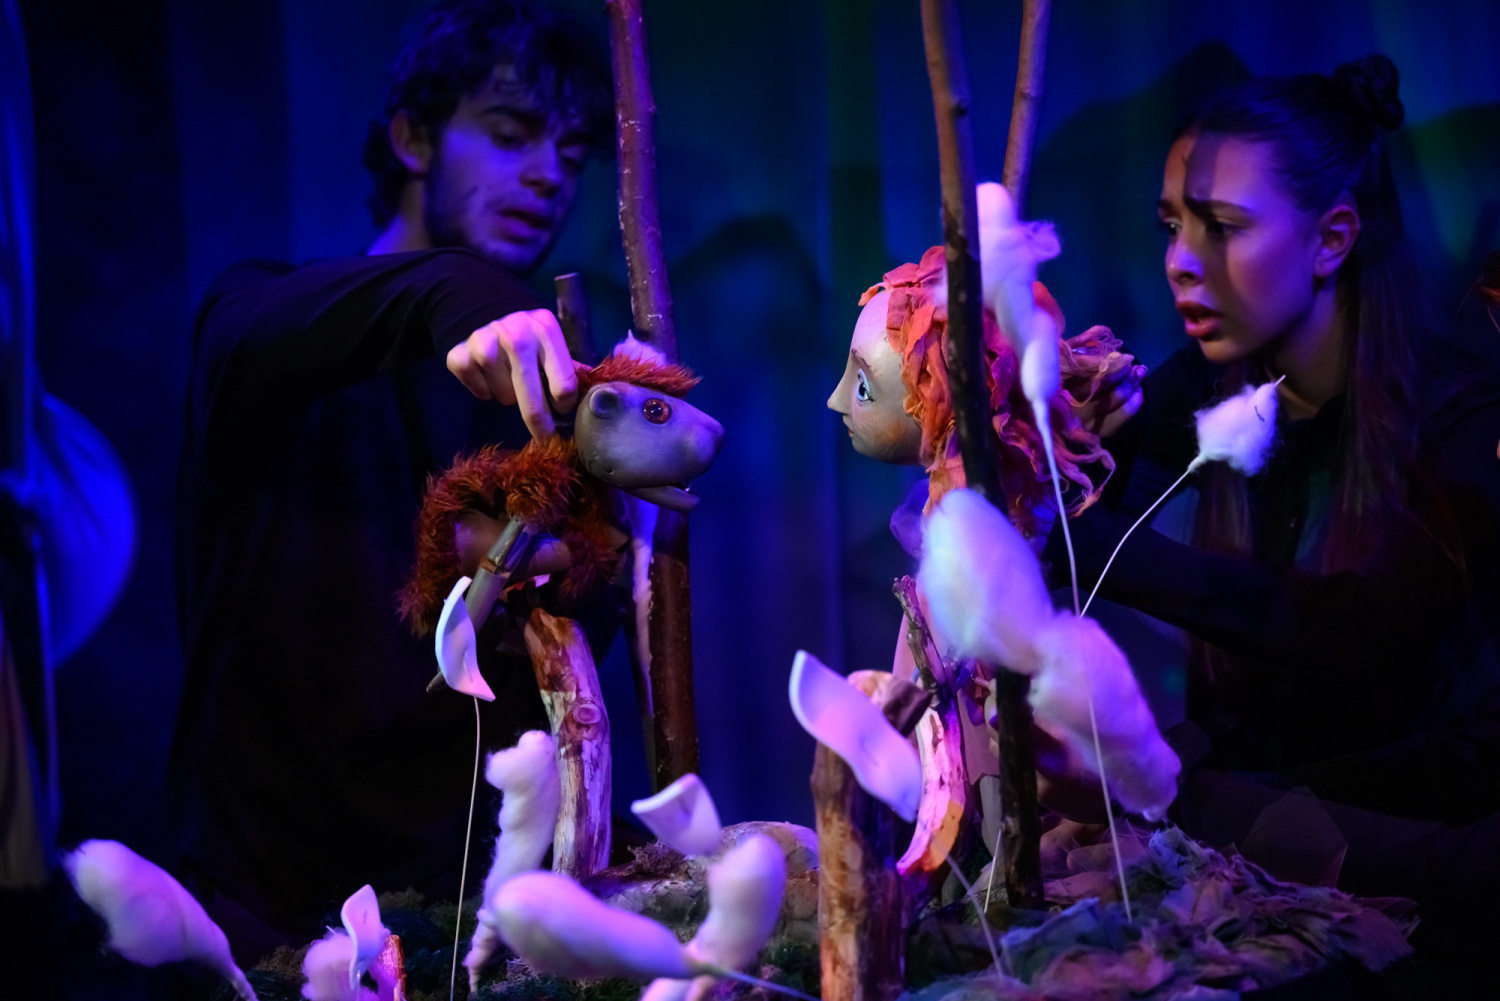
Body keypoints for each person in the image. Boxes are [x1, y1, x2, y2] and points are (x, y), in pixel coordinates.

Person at [167, 0, 608, 960]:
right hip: (262, 927)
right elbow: (243, 340)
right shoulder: (267, 321)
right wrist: (463, 289)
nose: (549, 173)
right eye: (511, 134)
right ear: (412, 137)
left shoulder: (546, 391)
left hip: (464, 928)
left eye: (572, 152)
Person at [1044, 54, 1500, 847]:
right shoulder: (1199, 386)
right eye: (1172, 227)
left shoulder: (1463, 413)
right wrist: (1078, 462)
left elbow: (1359, 629)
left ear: (1331, 240)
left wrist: (1181, 800)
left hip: (1408, 857)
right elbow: (1079, 555)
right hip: (1235, 842)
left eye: (1221, 227)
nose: (1180, 262)